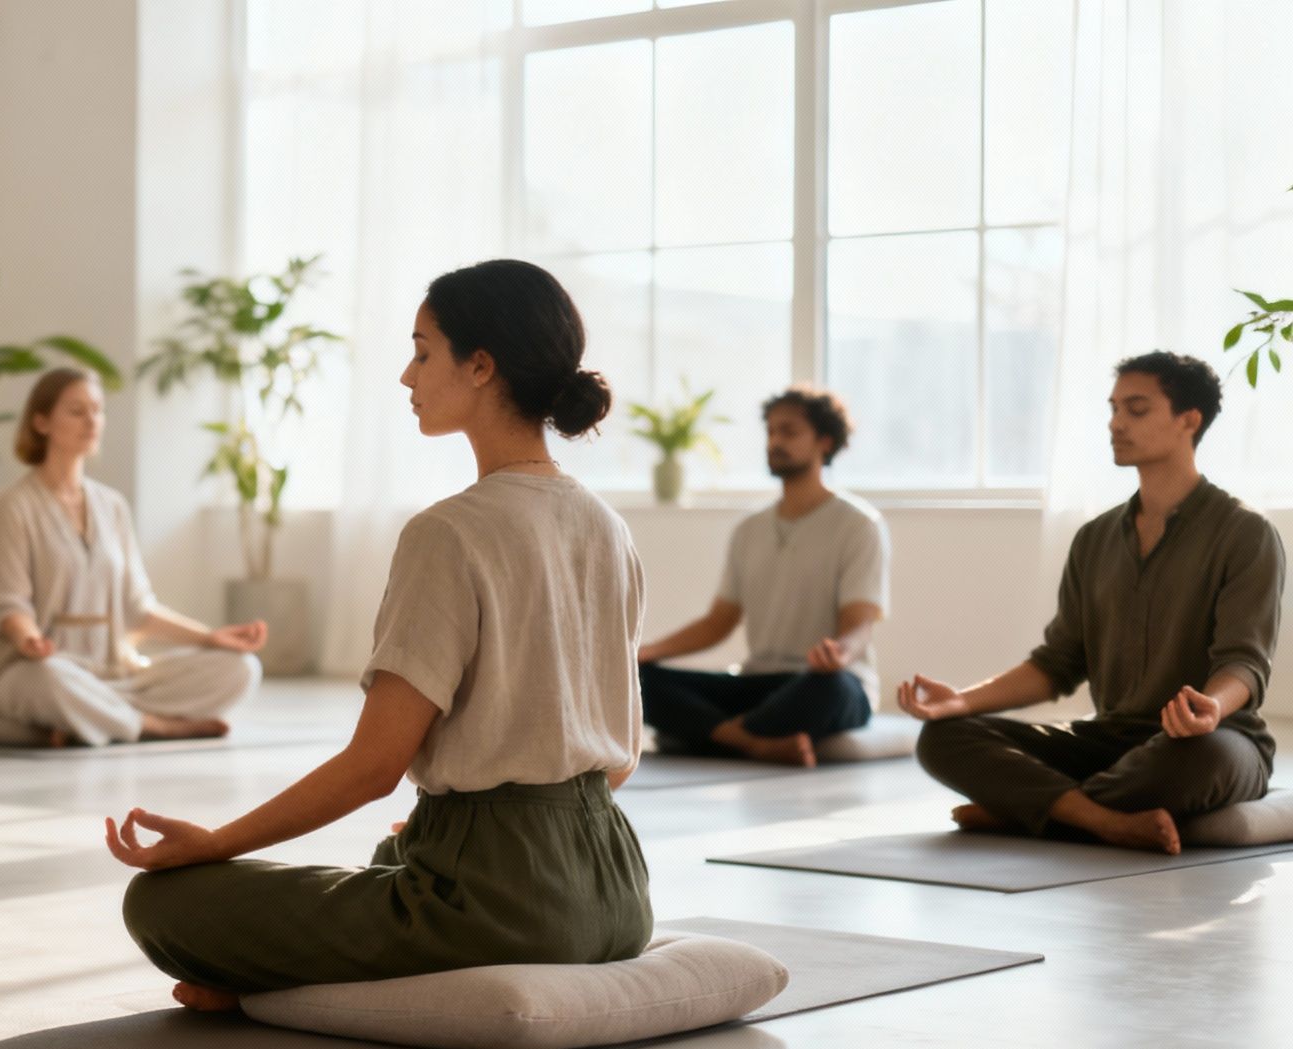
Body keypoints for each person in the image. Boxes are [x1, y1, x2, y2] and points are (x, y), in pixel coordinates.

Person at [106, 259, 652, 1009]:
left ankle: (272, 995)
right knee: (395, 854)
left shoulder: (449, 532)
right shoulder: (608, 526)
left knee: (163, 904)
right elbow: (618, 758)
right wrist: (478, 816)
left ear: (481, 365)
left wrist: (212, 843)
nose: (407, 374)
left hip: (508, 911)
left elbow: (374, 767)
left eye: (424, 351)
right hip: (618, 893)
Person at [900, 352, 1282, 855]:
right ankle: (1103, 819)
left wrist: (1211, 708)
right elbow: (1057, 664)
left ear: (1189, 420)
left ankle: (1033, 812)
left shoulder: (1244, 532)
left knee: (1197, 758)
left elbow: (1244, 661)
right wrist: (962, 701)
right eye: (1114, 408)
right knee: (942, 740)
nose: (1116, 423)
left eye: (1136, 409)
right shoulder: (1094, 539)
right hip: (1110, 743)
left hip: (1209, 742)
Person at [0, 367, 265, 746]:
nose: (92, 420)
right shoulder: (12, 506)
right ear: (41, 422)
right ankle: (154, 725)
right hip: (38, 670)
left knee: (241, 668)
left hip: (114, 675)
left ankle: (93, 717)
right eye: (77, 411)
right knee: (48, 679)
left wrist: (211, 638)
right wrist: (29, 639)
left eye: (97, 410)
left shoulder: (112, 506)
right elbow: (7, 605)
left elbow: (138, 608)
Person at [636, 387, 889, 766]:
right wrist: (644, 653)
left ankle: (713, 735)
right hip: (759, 683)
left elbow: (859, 625)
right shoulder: (749, 529)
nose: (775, 442)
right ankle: (756, 742)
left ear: (825, 441)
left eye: (788, 432)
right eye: (771, 432)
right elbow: (718, 623)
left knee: (831, 689)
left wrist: (839, 654)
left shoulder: (858, 524)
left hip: (822, 681)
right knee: (638, 681)